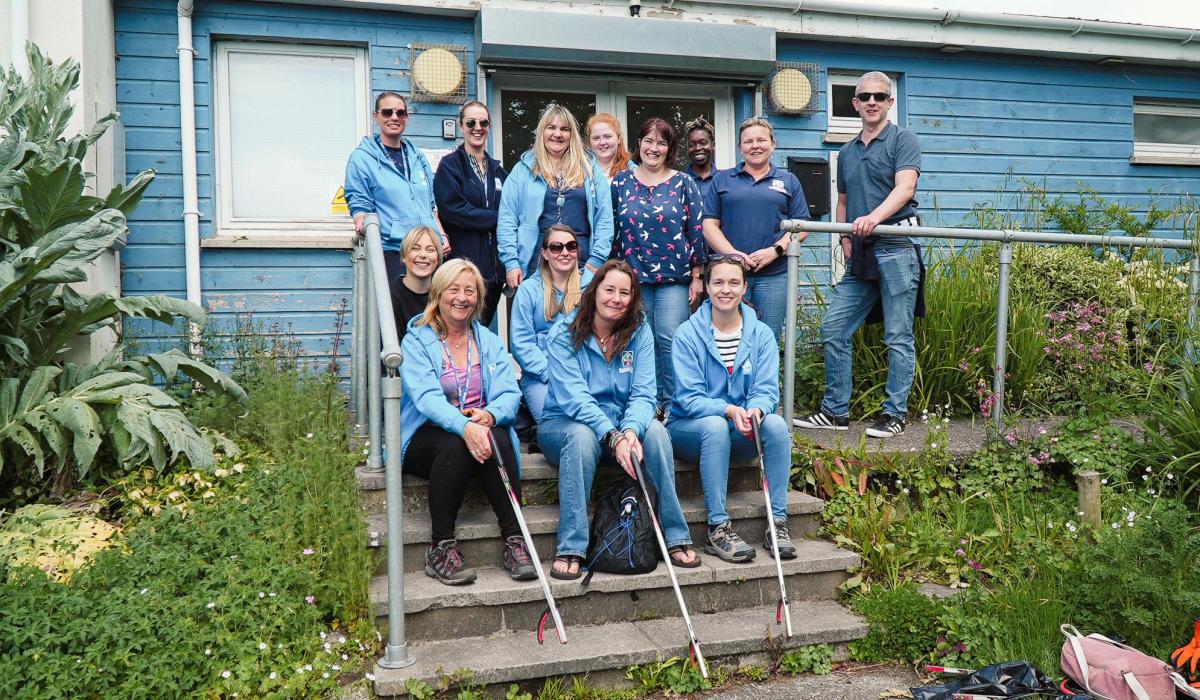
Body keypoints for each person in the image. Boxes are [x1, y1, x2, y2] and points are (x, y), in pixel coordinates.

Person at [538, 260, 699, 579]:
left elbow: (643, 394)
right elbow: (576, 399)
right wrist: (614, 437)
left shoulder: (639, 332)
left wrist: (629, 430)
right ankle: (572, 545)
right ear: (593, 291)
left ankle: (674, 536)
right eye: (609, 289)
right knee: (582, 436)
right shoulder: (563, 333)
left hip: (623, 428)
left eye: (625, 292)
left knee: (655, 432)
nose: (616, 298)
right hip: (566, 425)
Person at [795, 71, 922, 439]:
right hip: (861, 251)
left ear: (889, 103)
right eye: (864, 96)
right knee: (833, 327)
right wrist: (842, 238)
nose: (871, 102)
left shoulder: (903, 139)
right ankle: (835, 412)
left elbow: (906, 187)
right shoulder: (847, 151)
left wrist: (873, 219)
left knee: (898, 335)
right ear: (854, 103)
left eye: (879, 97)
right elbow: (844, 201)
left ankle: (894, 415)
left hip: (897, 247)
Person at [400, 259, 535, 585]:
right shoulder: (417, 340)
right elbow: (427, 399)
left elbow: (509, 394)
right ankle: (440, 546)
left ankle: (516, 541)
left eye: (470, 291)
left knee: (500, 438)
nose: (462, 297)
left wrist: (489, 415)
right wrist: (464, 426)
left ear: (478, 298)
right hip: (427, 433)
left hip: (481, 425)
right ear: (438, 294)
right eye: (453, 290)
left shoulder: (487, 340)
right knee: (457, 443)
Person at [668, 255, 796, 563]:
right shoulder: (687, 334)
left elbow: (766, 390)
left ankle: (777, 523)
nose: (726, 290)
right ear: (707, 287)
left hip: (740, 430)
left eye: (734, 283)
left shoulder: (761, 334)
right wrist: (727, 410)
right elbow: (687, 398)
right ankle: (718, 527)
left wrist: (756, 411)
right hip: (691, 430)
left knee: (776, 425)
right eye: (719, 282)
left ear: (744, 287)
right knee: (713, 428)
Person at [611, 118, 705, 417]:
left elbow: (697, 230)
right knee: (639, 340)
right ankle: (644, 404)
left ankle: (674, 405)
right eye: (648, 141)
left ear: (669, 148)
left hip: (674, 277)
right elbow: (612, 230)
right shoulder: (620, 182)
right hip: (632, 278)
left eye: (661, 143)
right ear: (638, 144)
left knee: (669, 338)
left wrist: (698, 275)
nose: (654, 148)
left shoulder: (683, 182)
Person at [701, 117, 810, 338]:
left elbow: (802, 226)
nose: (755, 146)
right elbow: (709, 225)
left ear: (773, 144)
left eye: (761, 140)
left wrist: (775, 251)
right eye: (748, 141)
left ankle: (764, 375)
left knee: (768, 337)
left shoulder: (788, 181)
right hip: (729, 274)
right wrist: (732, 255)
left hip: (774, 275)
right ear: (740, 147)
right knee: (727, 335)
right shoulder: (722, 180)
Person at [497, 104, 614, 291]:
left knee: (579, 319)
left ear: (571, 134)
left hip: (582, 265)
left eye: (564, 129)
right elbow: (507, 219)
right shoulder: (523, 170)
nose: (557, 134)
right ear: (542, 132)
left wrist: (596, 260)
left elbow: (605, 218)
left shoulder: (589, 168)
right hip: (536, 263)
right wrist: (511, 262)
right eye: (551, 127)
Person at [344, 91, 444, 284]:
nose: (394, 117)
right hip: (394, 250)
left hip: (428, 248)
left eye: (400, 113)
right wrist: (360, 220)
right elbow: (359, 203)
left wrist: (441, 235)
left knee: (432, 311)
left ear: (407, 117)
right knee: (399, 312)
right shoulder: (362, 158)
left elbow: (430, 206)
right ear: (376, 117)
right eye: (387, 112)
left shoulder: (417, 156)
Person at [434, 100, 508, 325]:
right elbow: (453, 210)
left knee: (481, 331)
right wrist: (497, 219)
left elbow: (512, 210)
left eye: (483, 122)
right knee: (457, 330)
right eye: (471, 122)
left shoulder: (499, 171)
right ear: (461, 126)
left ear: (489, 126)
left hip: (493, 273)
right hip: (462, 269)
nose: (478, 127)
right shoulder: (450, 166)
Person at [510, 225, 592, 423]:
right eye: (556, 247)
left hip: (584, 376)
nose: (565, 253)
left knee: (591, 423)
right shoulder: (528, 290)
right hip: (542, 377)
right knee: (559, 425)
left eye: (571, 246)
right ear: (545, 253)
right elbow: (522, 344)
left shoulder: (591, 286)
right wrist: (552, 374)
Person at [390, 225, 443, 341]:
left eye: (430, 250)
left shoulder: (444, 294)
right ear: (404, 256)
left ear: (438, 258)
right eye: (415, 248)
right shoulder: (390, 296)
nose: (423, 255)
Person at [586, 113, 632, 183]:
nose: (602, 142)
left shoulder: (633, 171)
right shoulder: (582, 171)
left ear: (619, 139)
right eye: (596, 138)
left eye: (607, 137)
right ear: (590, 141)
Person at [683, 117, 718, 205]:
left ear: (713, 145)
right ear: (687, 148)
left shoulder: (724, 180)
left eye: (703, 143)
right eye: (692, 144)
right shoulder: (680, 180)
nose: (698, 148)